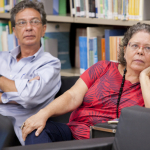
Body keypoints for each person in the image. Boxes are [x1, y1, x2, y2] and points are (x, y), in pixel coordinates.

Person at [22, 22, 150, 145]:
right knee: (36, 129)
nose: (140, 52)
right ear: (125, 49)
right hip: (73, 134)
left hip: (110, 142)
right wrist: (43, 114)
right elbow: (72, 96)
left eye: (148, 48)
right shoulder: (103, 67)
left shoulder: (147, 86)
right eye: (134, 46)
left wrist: (144, 78)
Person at [0, 0, 61, 146]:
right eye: (22, 23)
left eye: (34, 22)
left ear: (43, 29)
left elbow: (29, 97)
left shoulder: (50, 64)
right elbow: (25, 93)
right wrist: (21, 88)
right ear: (14, 31)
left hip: (15, 132)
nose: (28, 28)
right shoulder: (2, 58)